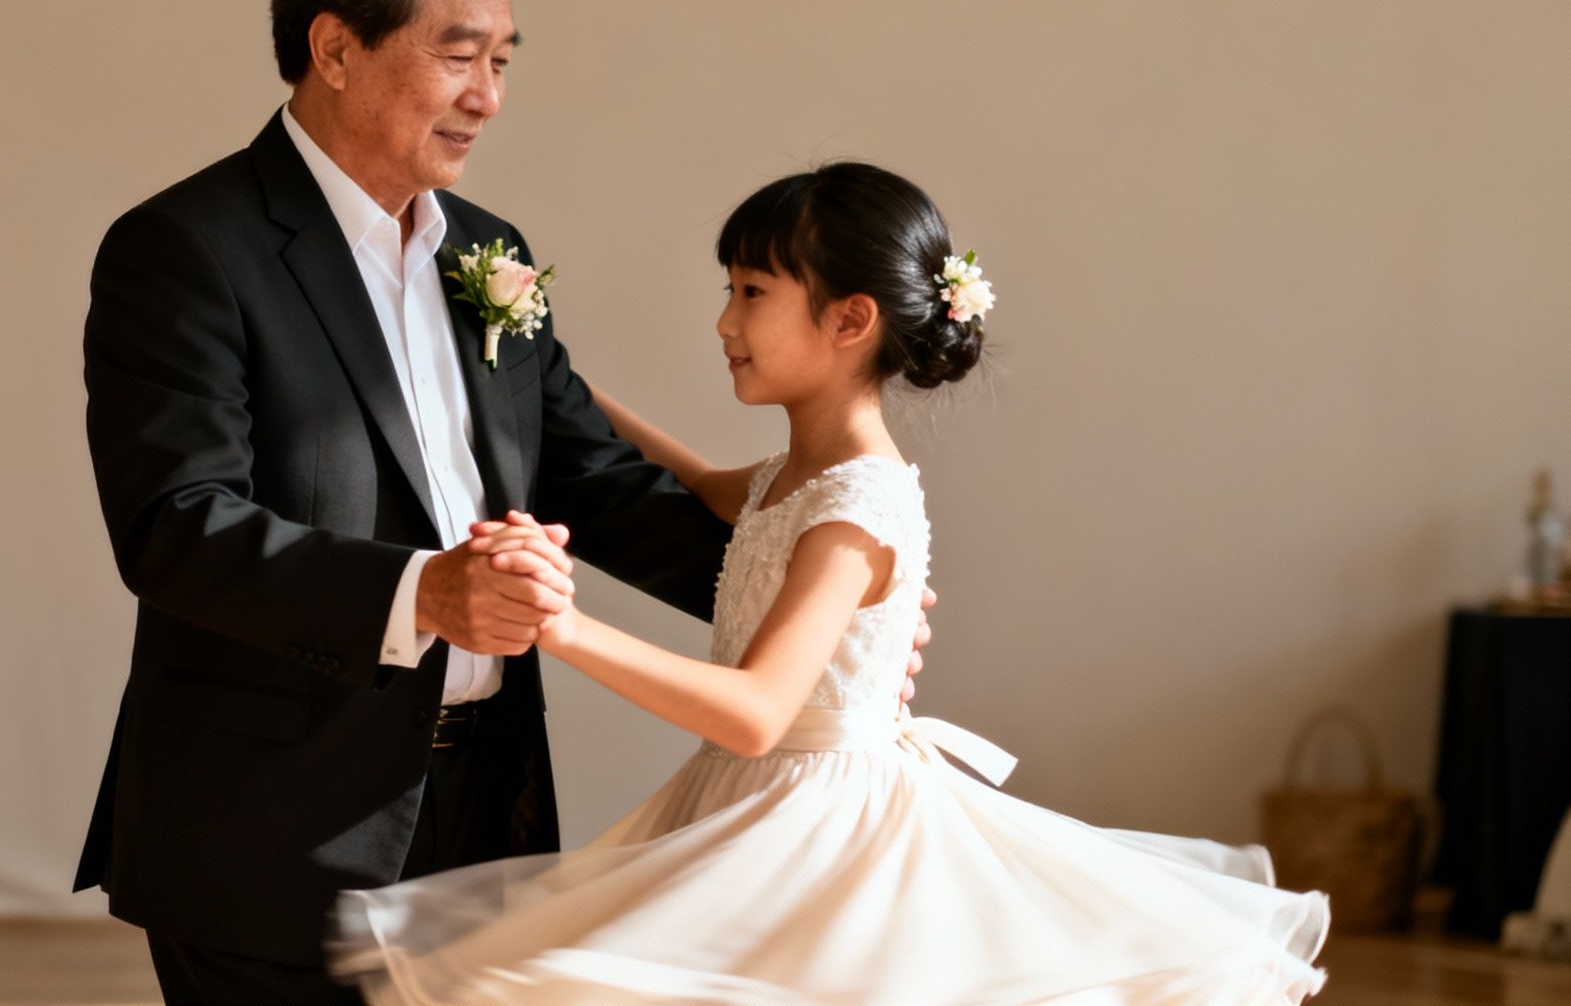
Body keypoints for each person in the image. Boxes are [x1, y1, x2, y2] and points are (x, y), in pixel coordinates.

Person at [74, 0, 934, 1005]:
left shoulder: (487, 251)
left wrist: (830, 599)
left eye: (504, 62)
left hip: (490, 813)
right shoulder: (185, 250)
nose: (486, 97)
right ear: (333, 48)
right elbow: (175, 528)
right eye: (458, 55)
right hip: (269, 825)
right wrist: (424, 594)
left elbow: (599, 487)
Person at [332, 163, 1331, 1005]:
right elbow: (690, 478)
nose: (723, 319)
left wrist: (559, 624)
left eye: (750, 293)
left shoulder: (860, 505)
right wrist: (541, 377)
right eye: (726, 288)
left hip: (817, 825)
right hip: (742, 806)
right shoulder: (788, 475)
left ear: (849, 319)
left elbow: (758, 712)